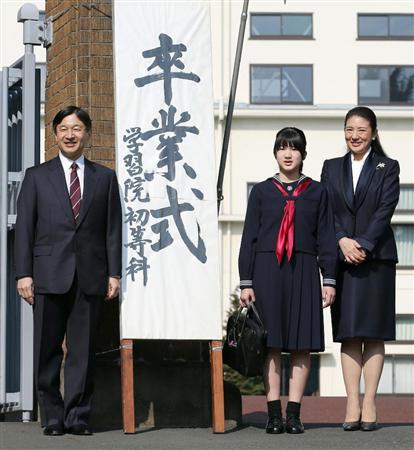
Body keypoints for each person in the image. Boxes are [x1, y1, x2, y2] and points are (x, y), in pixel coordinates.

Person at [14, 106, 122, 436]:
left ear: (87, 133)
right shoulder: (36, 176)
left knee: (83, 351)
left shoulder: (105, 178)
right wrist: (23, 274)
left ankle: (77, 417)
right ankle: (52, 416)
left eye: (76, 128)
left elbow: (113, 230)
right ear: (55, 134)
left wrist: (114, 273)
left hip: (90, 276)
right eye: (63, 128)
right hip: (47, 274)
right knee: (47, 349)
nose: (70, 134)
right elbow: (25, 229)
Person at [239, 127, 337, 434]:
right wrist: (246, 281)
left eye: (294, 148)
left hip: (304, 269)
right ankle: (273, 415)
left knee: (301, 345)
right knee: (270, 344)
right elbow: (249, 238)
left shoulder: (318, 192)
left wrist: (329, 278)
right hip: (267, 270)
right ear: (275, 153)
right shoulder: (261, 191)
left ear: (303, 154)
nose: (288, 153)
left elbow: (326, 237)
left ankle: (293, 414)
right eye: (282, 147)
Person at [321, 106, 399, 432]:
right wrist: (342, 241)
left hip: (376, 258)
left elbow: (385, 209)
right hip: (343, 259)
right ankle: (352, 401)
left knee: (374, 332)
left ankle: (370, 402)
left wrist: (363, 244)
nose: (355, 136)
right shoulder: (331, 167)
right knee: (349, 333)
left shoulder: (388, 167)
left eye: (362, 130)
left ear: (374, 133)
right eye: (349, 129)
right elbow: (326, 210)